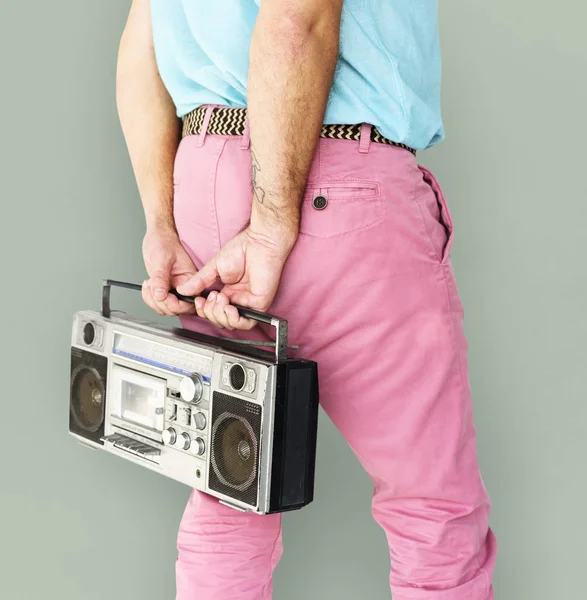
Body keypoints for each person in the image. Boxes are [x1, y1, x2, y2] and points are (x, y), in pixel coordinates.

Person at [116, 1, 497, 598]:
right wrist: (270, 223)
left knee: (232, 490)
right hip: (333, 182)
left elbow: (141, 47)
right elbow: (299, 17)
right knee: (431, 511)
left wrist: (160, 220)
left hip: (201, 192)